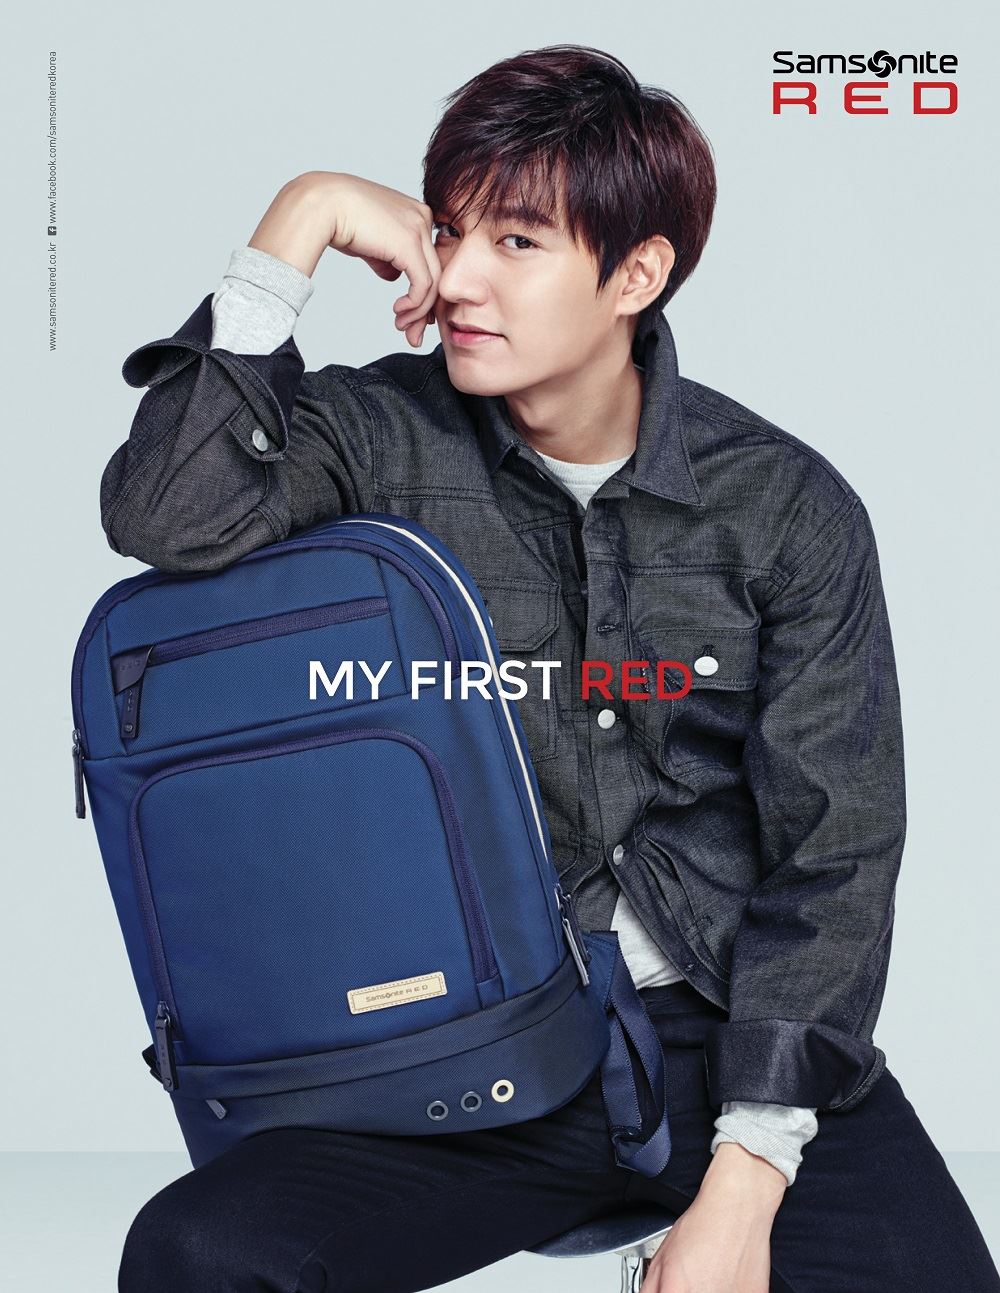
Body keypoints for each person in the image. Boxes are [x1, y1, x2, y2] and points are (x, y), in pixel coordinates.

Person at [104, 43, 999, 1293]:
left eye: (516, 242)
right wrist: (299, 218)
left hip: (731, 1041)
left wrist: (747, 1178)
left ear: (637, 273)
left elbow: (834, 858)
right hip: (479, 1039)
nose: (459, 278)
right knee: (200, 1251)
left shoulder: (784, 510)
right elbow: (163, 514)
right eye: (448, 230)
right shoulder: (375, 436)